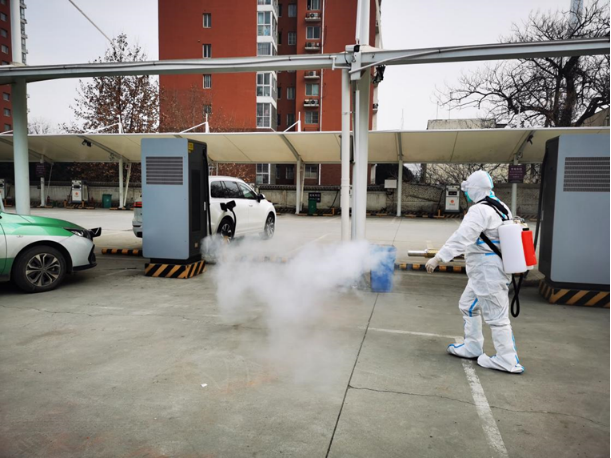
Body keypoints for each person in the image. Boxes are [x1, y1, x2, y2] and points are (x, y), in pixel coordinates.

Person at [426, 171, 524, 374]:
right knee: (468, 305)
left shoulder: (479, 210)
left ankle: (507, 359)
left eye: (468, 189)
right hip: (485, 270)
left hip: (488, 271)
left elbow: (462, 237)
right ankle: (472, 346)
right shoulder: (500, 206)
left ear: (475, 189)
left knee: (496, 316)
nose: (467, 193)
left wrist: (438, 258)